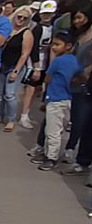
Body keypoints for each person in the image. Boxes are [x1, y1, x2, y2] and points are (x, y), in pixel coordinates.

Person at [36, 31, 82, 170]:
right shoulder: (76, 61)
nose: (54, 47)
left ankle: (51, 157)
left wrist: (44, 93)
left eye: (57, 44)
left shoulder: (58, 61)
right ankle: (49, 153)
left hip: (55, 99)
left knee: (52, 131)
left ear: (68, 46)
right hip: (68, 99)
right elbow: (79, 77)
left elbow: (48, 78)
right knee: (58, 129)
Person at [0, 6, 35, 132]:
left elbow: (25, 54)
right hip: (1, 64)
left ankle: (10, 119)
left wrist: (16, 71)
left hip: (14, 66)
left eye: (24, 18)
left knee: (10, 95)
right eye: (19, 16)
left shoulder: (27, 33)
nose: (21, 19)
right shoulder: (8, 29)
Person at [62, 3, 92, 174]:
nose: (76, 21)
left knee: (82, 119)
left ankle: (75, 151)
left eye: (80, 17)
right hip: (71, 79)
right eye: (75, 17)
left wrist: (83, 73)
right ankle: (81, 158)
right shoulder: (75, 35)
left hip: (85, 81)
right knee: (74, 117)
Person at [20, 0, 56, 129]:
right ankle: (24, 115)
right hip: (34, 62)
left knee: (36, 90)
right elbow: (33, 48)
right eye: (44, 13)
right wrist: (36, 67)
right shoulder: (37, 28)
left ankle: (27, 114)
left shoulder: (52, 28)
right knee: (30, 89)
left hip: (45, 62)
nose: (46, 16)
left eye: (49, 14)